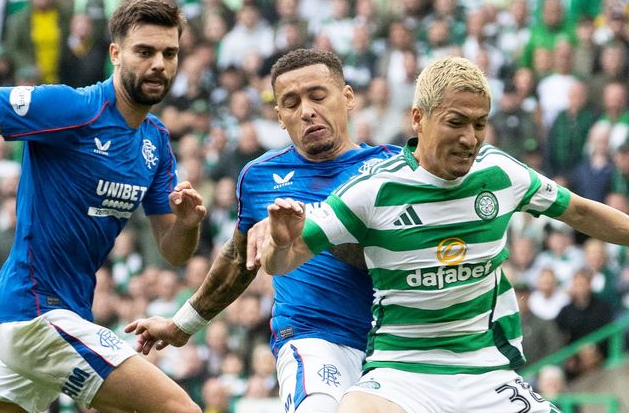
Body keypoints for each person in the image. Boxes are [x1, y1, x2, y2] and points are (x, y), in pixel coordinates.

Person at [0, 0, 206, 413]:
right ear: (115, 54)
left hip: (57, 317)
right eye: (145, 51)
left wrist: (188, 223)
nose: (159, 64)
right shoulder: (76, 109)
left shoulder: (155, 141)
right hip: (36, 314)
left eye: (169, 53)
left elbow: (173, 251)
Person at [252, 56, 629, 413]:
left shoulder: (501, 175)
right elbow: (283, 261)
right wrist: (281, 242)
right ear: (419, 118)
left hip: (486, 371)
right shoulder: (372, 191)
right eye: (456, 123)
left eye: (479, 124)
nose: (470, 138)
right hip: (402, 373)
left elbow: (580, 211)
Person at [125, 48, 400, 413]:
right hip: (312, 339)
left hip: (396, 346)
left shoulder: (393, 170)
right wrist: (182, 326)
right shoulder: (258, 177)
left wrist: (308, 232)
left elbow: (408, 258)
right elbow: (240, 260)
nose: (306, 111)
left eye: (318, 96)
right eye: (291, 103)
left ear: (347, 97)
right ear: (280, 117)